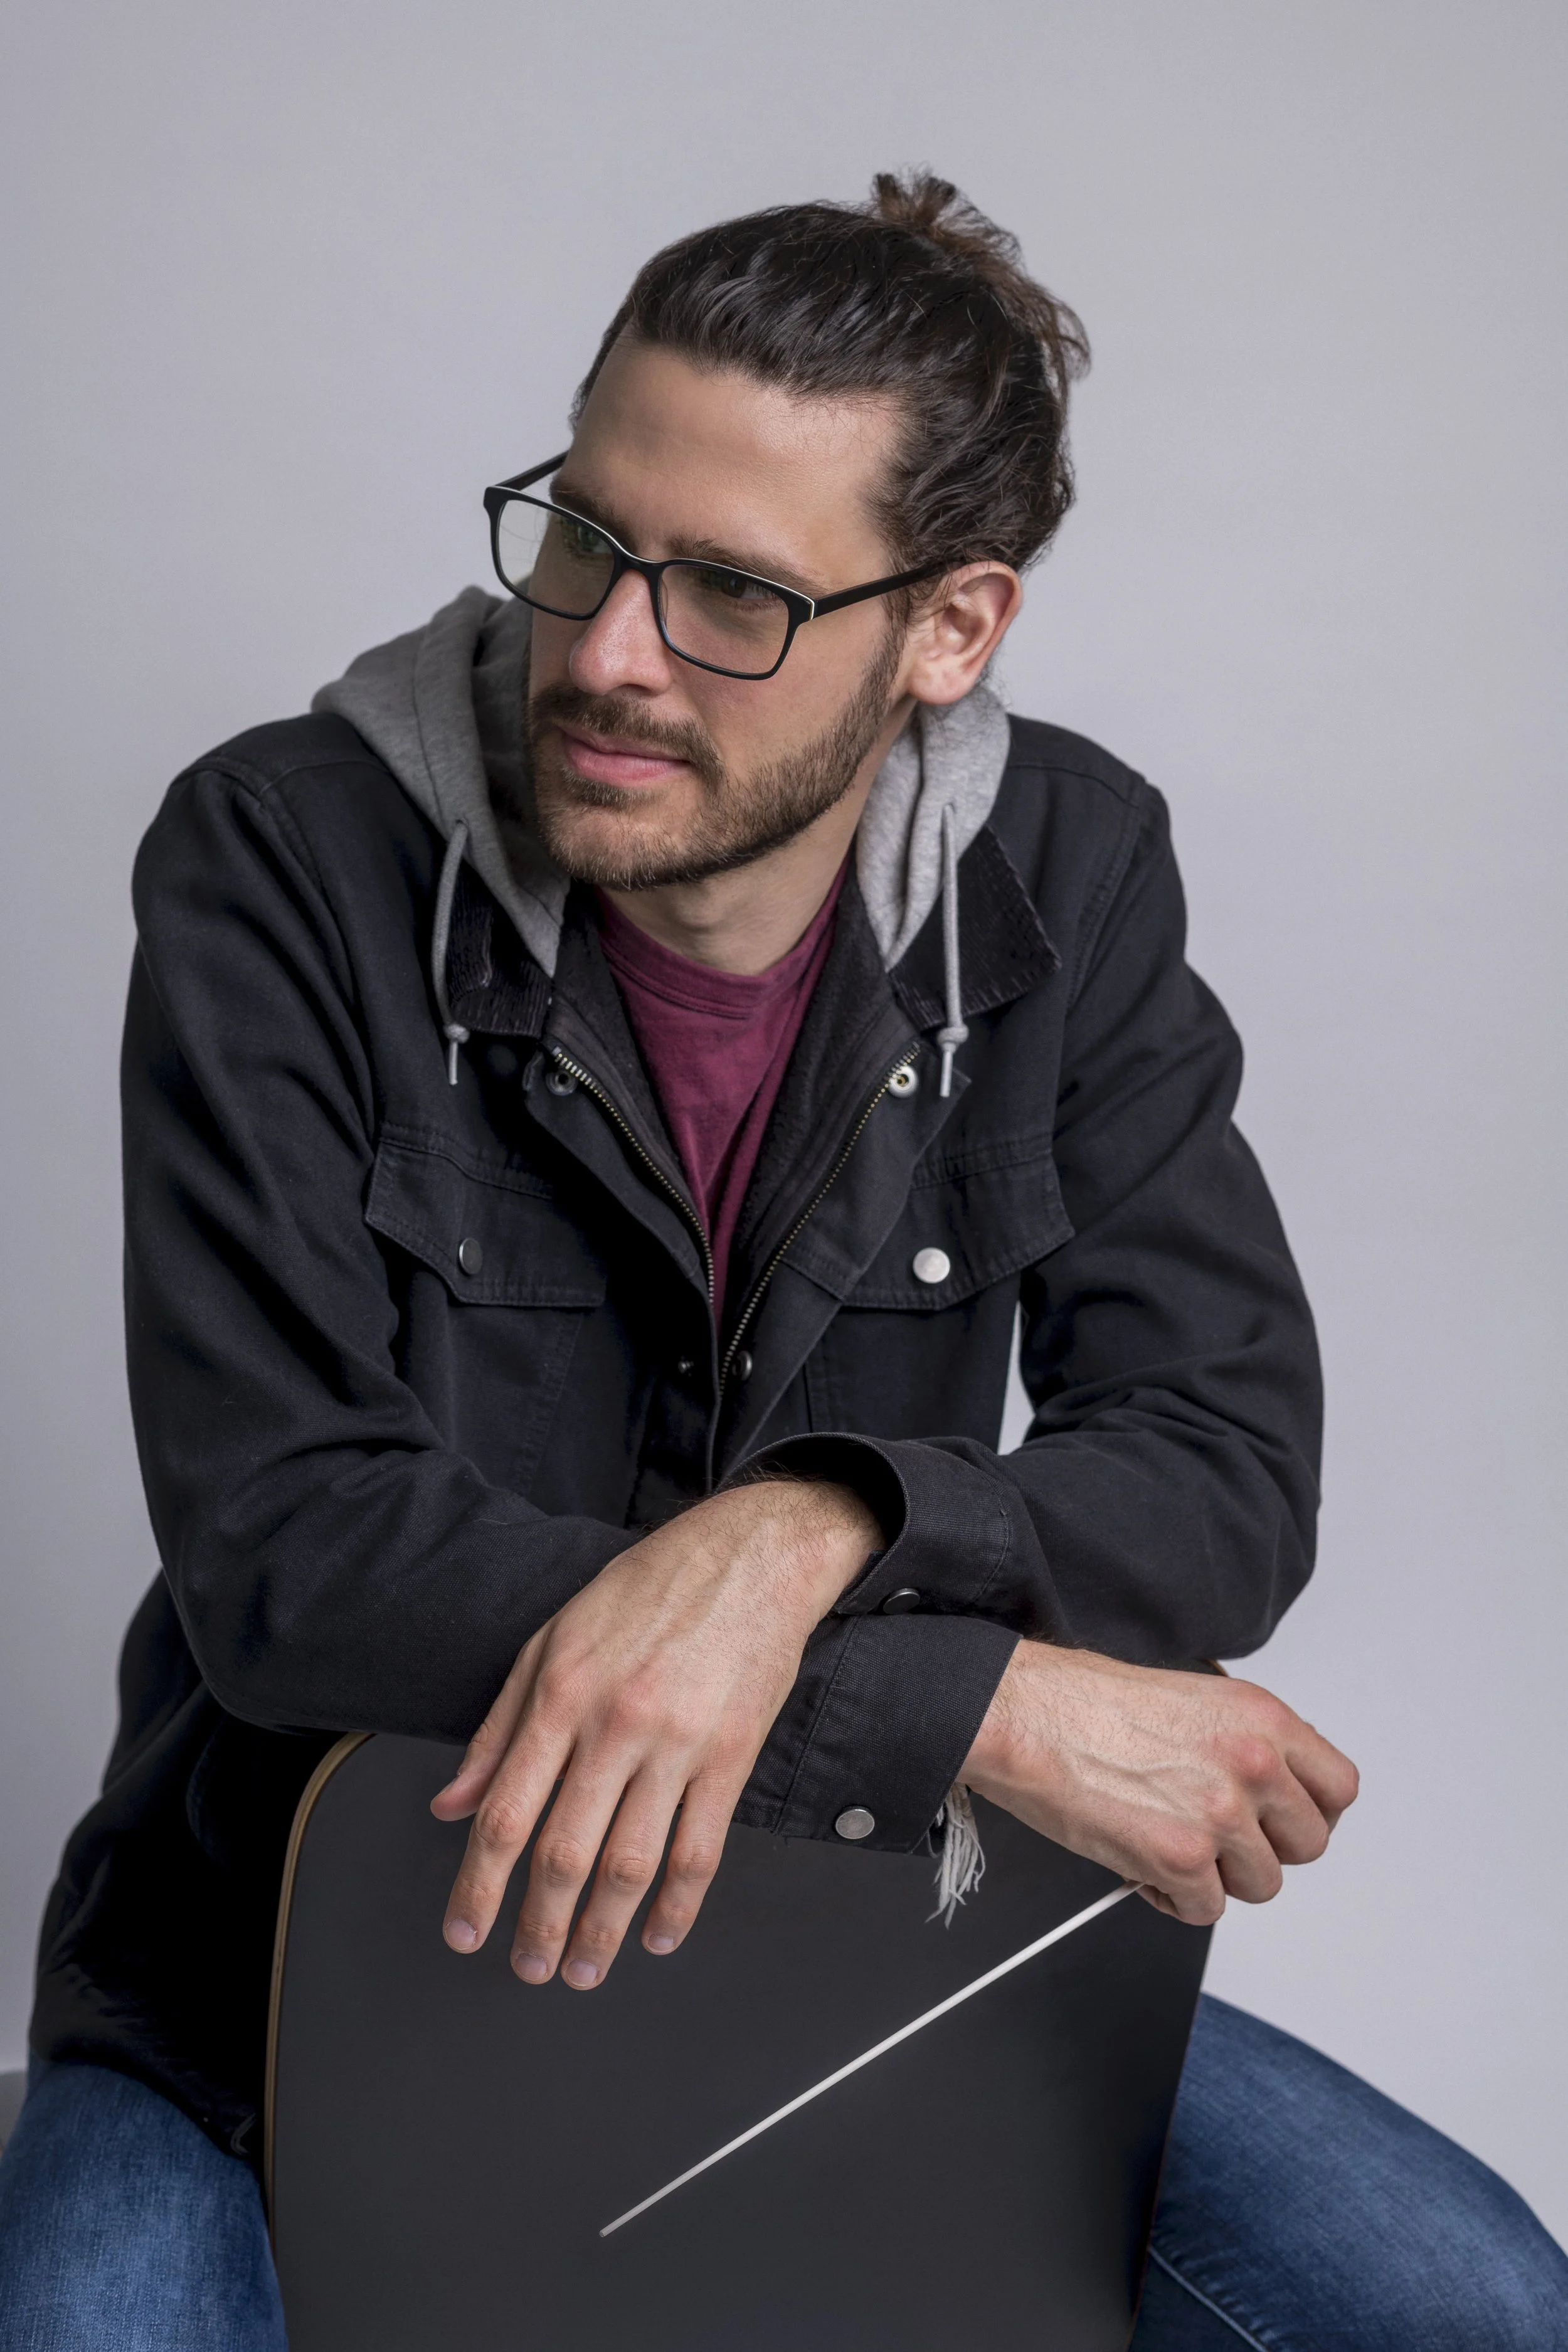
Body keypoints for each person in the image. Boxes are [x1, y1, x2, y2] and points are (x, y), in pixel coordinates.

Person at [0, 171, 1562, 2350]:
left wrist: (808, 1526)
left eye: (732, 591)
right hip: (279, 1983)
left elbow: (1222, 1466)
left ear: (950, 629)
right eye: (583, 538)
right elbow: (293, 1552)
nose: (606, 653)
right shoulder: (281, 853)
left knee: (1471, 2306)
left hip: (866, 1969)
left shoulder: (1068, 870)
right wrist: (965, 1698)